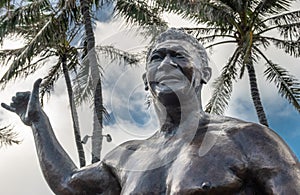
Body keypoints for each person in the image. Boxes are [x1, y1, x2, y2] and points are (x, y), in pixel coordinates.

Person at [2, 28, 300, 194]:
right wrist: (39, 124)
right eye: (157, 57)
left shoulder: (247, 139)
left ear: (204, 72)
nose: (166, 63)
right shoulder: (127, 157)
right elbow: (70, 185)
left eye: (177, 55)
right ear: (146, 79)